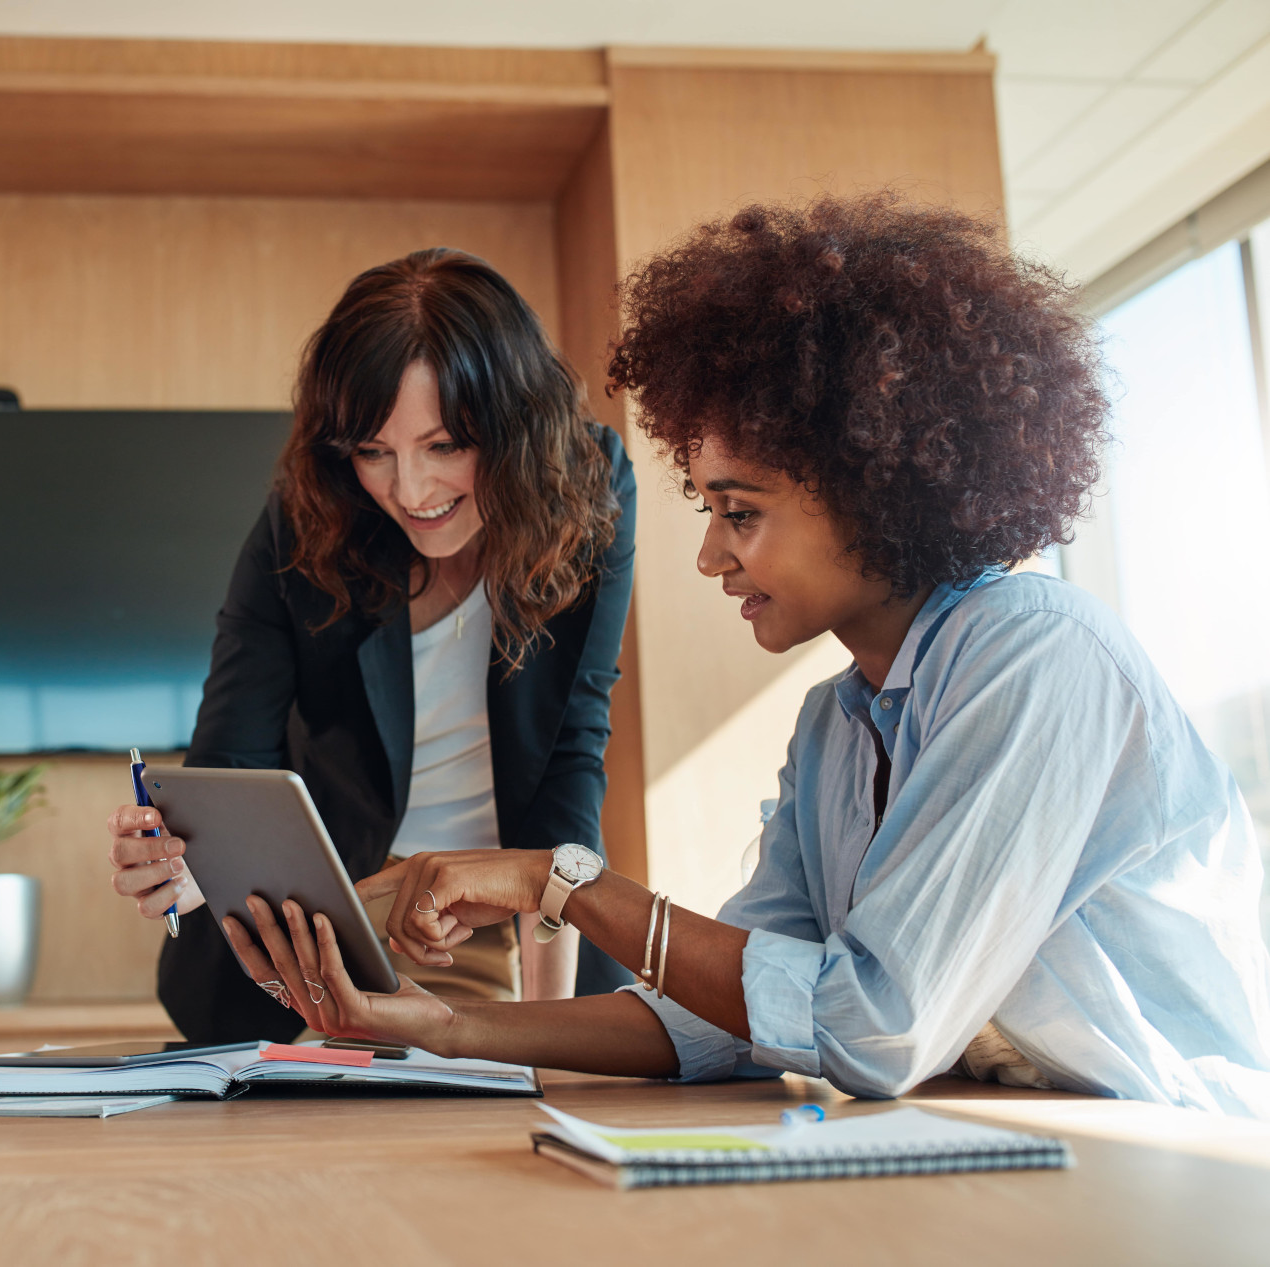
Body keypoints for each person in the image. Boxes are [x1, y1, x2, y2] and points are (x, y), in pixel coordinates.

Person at [224, 194, 1270, 1116]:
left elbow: (872, 1026)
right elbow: (723, 1021)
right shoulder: (835, 726)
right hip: (1004, 1131)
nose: (709, 551)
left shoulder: (1036, 657)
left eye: (741, 512)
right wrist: (441, 1028)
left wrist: (564, 880)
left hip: (1172, 1142)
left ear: (873, 486)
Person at [105, 247, 637, 1043]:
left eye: (446, 445)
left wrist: (550, 1032)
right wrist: (182, 864)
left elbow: (571, 755)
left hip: (518, 925)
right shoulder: (306, 516)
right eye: (373, 452)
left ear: (517, 425)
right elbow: (231, 765)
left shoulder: (587, 489)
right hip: (327, 936)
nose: (411, 492)